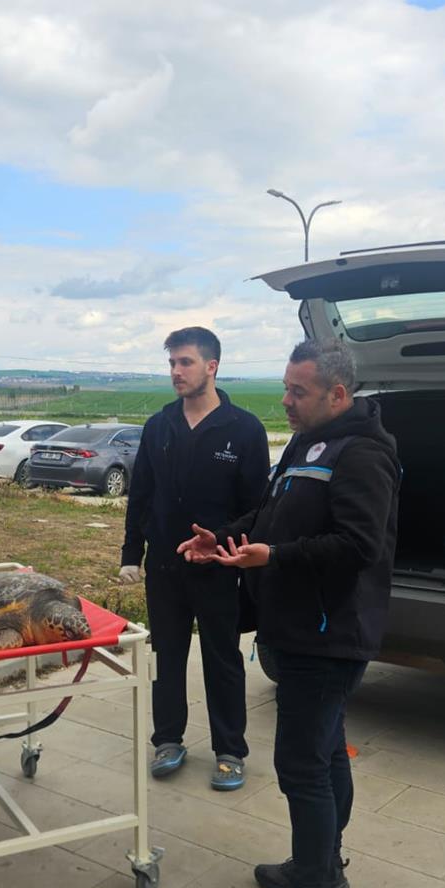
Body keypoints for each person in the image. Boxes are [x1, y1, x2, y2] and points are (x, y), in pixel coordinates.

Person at [179, 339, 400, 888]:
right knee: (325, 753)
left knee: (302, 767)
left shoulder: (364, 454)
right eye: (286, 387)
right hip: (295, 627)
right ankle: (323, 871)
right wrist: (224, 538)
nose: (285, 400)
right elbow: (275, 514)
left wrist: (274, 557)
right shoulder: (309, 444)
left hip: (329, 637)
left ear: (337, 393)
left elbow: (359, 546)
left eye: (298, 391)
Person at [119, 327, 269, 791]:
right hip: (165, 567)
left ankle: (230, 751)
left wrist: (222, 541)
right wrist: (132, 554)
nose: (176, 372)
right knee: (168, 657)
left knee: (221, 658)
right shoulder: (160, 425)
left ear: (212, 366)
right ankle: (168, 740)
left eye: (185, 362)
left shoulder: (243, 429)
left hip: (217, 567)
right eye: (172, 364)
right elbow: (140, 494)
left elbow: (258, 508)